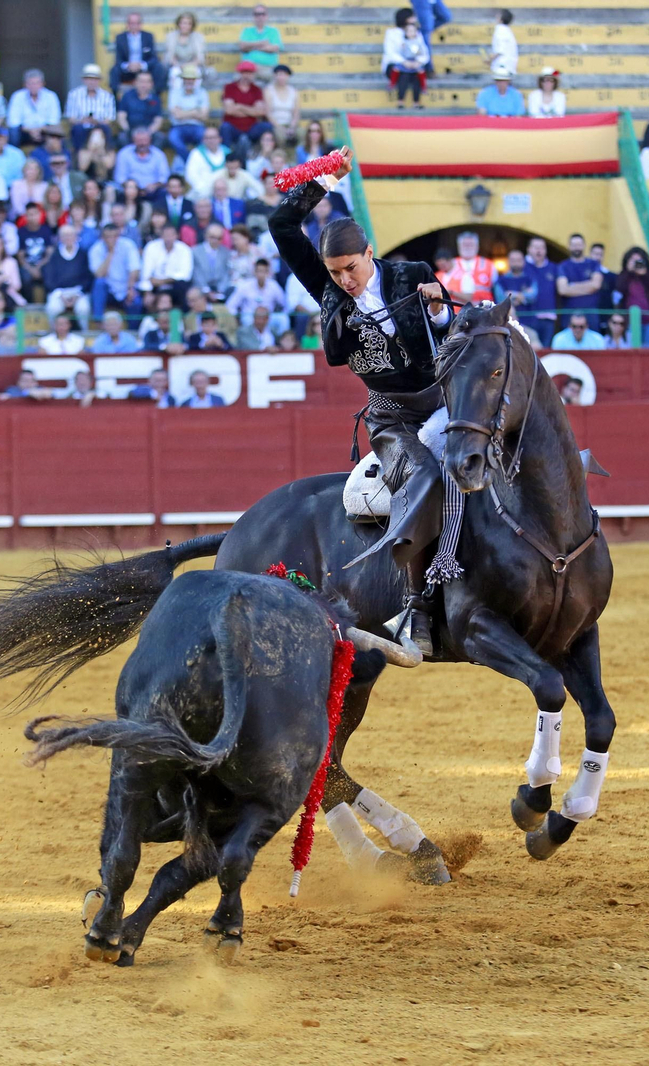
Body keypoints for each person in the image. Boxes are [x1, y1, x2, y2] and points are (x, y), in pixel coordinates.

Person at [268, 145, 454, 653]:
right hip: (392, 417)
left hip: (445, 405)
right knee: (425, 478)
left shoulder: (412, 273)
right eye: (334, 273)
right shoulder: (328, 292)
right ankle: (415, 605)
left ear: (369, 254)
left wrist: (439, 313)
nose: (344, 281)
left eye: (350, 268)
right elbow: (282, 226)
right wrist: (324, 180)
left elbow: (454, 332)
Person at [8, 69, 62, 148]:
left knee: (56, 132)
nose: (34, 86)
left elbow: (54, 120)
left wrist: (39, 130)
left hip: (44, 130)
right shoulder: (17, 96)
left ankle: (59, 158)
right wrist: (31, 131)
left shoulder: (51, 96)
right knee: (13, 132)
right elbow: (13, 121)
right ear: (25, 84)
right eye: (31, 83)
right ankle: (14, 157)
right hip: (24, 131)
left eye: (37, 83)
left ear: (43, 84)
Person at [113, 11, 163, 89]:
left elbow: (153, 57)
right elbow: (118, 59)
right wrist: (128, 65)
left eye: (136, 23)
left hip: (143, 68)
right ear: (127, 24)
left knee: (159, 68)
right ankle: (115, 97)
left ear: (140, 24)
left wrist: (142, 65)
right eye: (131, 23)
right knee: (114, 71)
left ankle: (156, 96)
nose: (134, 26)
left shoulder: (148, 37)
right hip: (127, 69)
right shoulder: (120, 38)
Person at [237, 5, 283, 72]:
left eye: (263, 14)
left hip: (268, 68)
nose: (260, 17)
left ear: (267, 16)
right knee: (238, 79)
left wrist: (251, 46)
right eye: (257, 14)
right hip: (248, 68)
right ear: (253, 16)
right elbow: (242, 46)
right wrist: (261, 43)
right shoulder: (247, 31)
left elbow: (274, 48)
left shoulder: (273, 31)